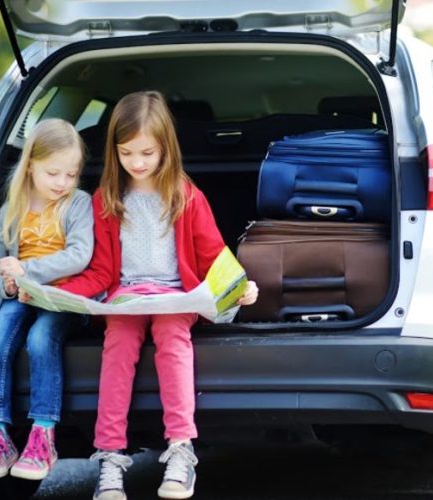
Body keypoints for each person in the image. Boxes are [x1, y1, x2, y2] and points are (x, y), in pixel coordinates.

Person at [57, 91, 258, 500]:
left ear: (166, 146)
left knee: (172, 337)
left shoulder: (186, 196)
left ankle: (181, 449)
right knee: (118, 342)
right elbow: (97, 269)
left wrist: (240, 286)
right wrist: (57, 292)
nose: (137, 162)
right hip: (127, 296)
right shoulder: (107, 199)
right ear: (114, 151)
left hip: (175, 295)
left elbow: (212, 256)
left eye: (147, 152)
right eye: (127, 152)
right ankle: (110, 456)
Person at [0, 119, 93, 482]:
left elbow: (80, 254)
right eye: (53, 173)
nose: (62, 183)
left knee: (41, 340)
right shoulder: (14, 206)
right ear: (30, 166)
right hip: (20, 295)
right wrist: (9, 287)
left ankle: (43, 435)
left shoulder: (78, 203)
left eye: (71, 174)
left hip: (62, 297)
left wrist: (27, 269)